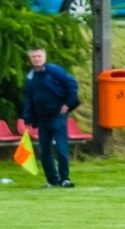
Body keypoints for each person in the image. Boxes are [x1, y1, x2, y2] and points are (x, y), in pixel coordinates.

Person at [22, 46, 80, 188]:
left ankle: (64, 179)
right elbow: (29, 98)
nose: (36, 59)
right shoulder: (30, 77)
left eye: (39, 56)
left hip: (58, 116)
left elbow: (71, 84)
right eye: (34, 57)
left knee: (61, 149)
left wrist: (68, 104)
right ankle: (52, 180)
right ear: (30, 59)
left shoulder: (55, 71)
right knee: (44, 151)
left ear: (44, 57)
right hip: (42, 119)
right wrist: (27, 119)